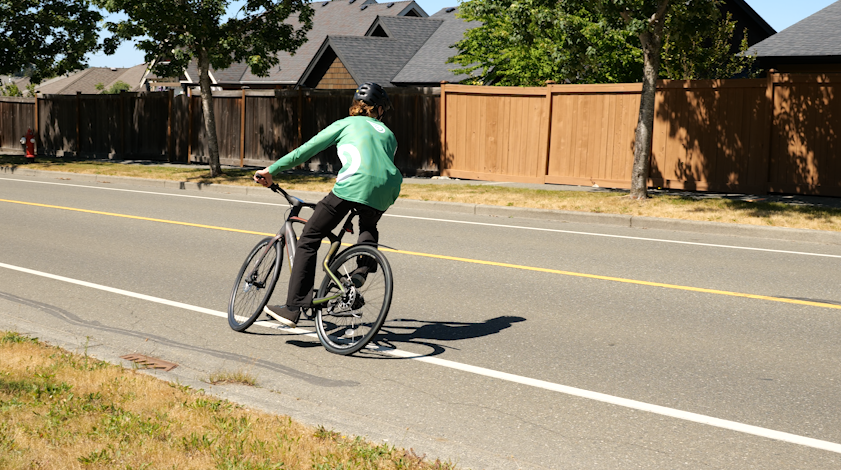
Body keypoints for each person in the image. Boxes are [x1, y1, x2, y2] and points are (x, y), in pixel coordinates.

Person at [253, 82, 402, 327]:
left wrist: (271, 170)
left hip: (354, 184)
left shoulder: (346, 124)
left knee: (310, 237)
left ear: (358, 106)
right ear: (378, 109)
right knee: (368, 224)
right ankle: (361, 270)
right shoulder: (389, 135)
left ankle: (293, 307)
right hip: (387, 190)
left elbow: (305, 151)